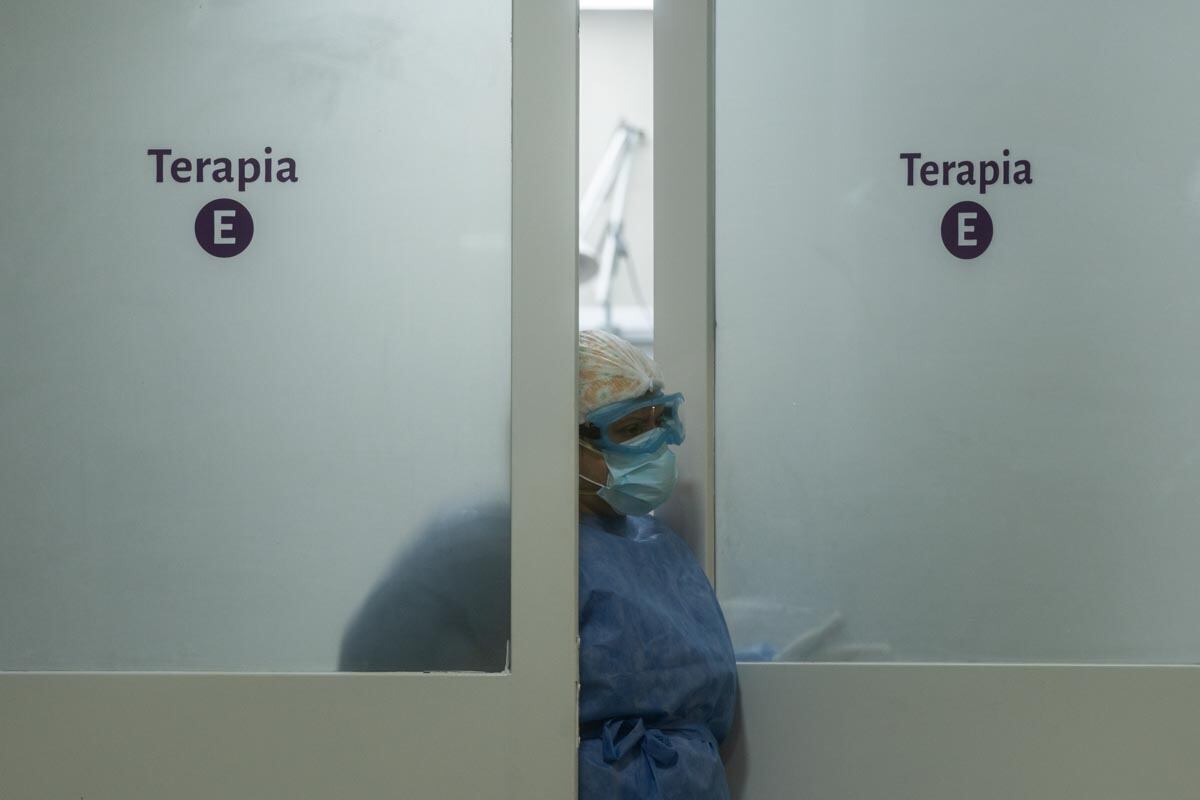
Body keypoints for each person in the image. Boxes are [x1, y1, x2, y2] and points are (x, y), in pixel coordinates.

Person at [576, 330, 737, 800]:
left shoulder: (658, 544)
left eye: (658, 422)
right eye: (629, 430)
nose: (653, 447)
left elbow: (693, 676)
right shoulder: (524, 560)